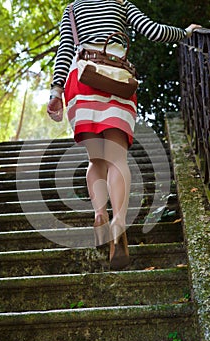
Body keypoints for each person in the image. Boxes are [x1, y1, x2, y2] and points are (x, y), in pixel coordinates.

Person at [47, 0, 201, 270]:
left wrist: (56, 92)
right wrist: (185, 32)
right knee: (117, 158)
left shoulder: (72, 9)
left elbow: (64, 51)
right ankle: (119, 221)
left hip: (82, 82)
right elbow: (152, 30)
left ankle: (99, 215)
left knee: (96, 161)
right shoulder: (121, 4)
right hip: (117, 80)